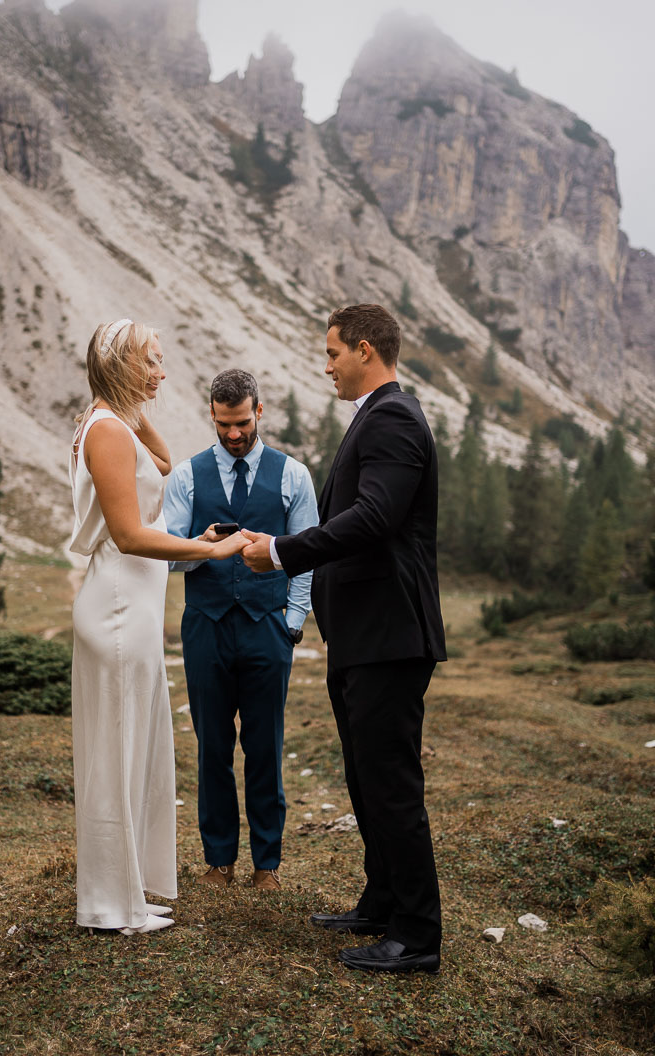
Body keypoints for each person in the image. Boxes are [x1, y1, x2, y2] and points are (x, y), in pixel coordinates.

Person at [241, 304, 447, 973]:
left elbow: (376, 516)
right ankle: (382, 902)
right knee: (365, 777)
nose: (325, 365)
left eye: (331, 353)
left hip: (389, 634)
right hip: (363, 635)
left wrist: (282, 553)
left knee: (390, 783)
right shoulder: (377, 417)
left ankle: (416, 936)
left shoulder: (391, 416)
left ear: (364, 350)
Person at [69, 319, 248, 935]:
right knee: (117, 755)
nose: (162, 373)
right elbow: (128, 534)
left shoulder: (112, 423)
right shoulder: (108, 431)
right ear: (121, 364)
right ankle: (109, 905)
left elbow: (165, 464)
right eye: (151, 361)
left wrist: (129, 401)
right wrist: (210, 552)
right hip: (119, 606)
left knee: (132, 750)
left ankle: (125, 890)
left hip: (130, 607)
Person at [163, 369, 318, 890]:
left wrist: (292, 624)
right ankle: (218, 859)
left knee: (265, 745)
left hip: (266, 627)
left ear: (259, 412)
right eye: (226, 423)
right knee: (212, 746)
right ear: (212, 414)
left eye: (243, 423)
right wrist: (203, 546)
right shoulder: (186, 476)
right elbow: (168, 559)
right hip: (205, 627)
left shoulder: (293, 474)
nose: (234, 434)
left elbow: (308, 557)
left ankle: (267, 864)